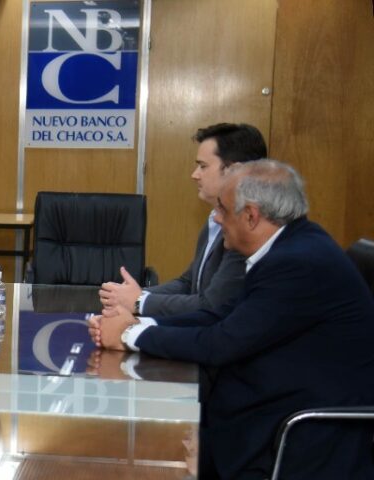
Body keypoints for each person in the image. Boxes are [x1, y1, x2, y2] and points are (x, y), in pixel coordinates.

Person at [88, 160, 374, 479]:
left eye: (222, 209)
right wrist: (138, 326)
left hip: (299, 432)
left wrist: (127, 334)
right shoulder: (292, 245)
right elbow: (220, 315)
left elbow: (221, 343)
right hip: (269, 402)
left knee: (144, 448)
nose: (216, 218)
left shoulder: (297, 263)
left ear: (251, 215)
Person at [99, 123, 267, 317]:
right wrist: (130, 296)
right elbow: (189, 283)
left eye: (203, 166)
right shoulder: (214, 220)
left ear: (234, 171)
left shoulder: (249, 229)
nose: (194, 175)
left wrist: (138, 301)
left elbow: (213, 306)